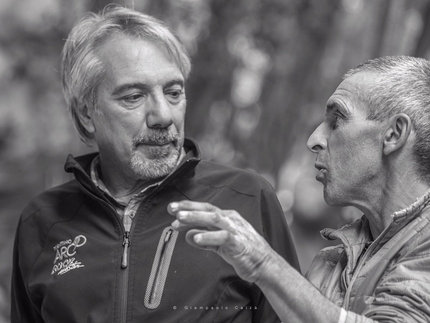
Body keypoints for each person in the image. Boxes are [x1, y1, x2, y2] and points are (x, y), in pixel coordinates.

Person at [10, 5, 299, 323]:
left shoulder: (246, 200)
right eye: (133, 96)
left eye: (174, 92)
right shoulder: (43, 221)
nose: (163, 116)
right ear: (86, 114)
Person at [169, 55, 430, 323]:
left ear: (394, 134)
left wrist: (263, 264)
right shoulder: (330, 262)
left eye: (337, 120)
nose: (314, 140)